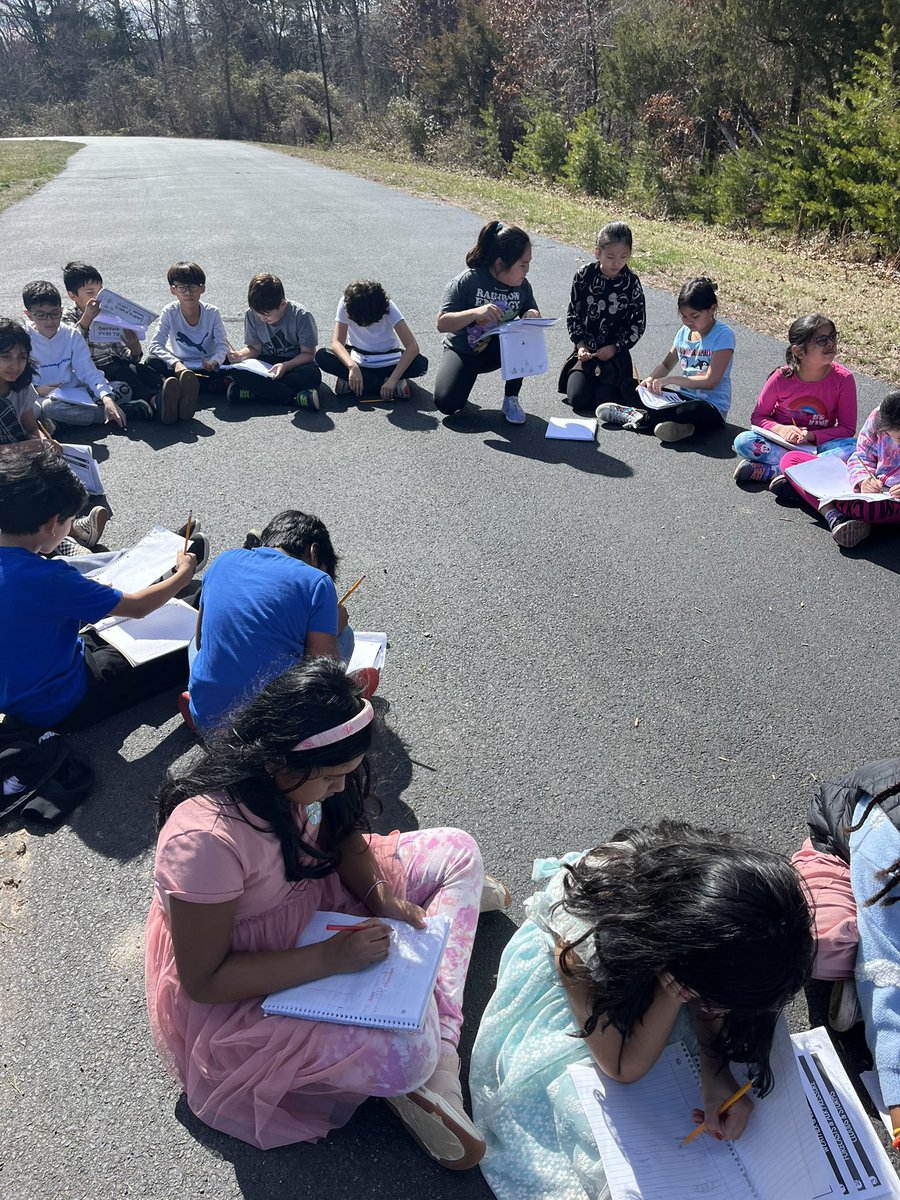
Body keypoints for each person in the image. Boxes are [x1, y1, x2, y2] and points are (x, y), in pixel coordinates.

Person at [146, 657, 507, 1164]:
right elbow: (205, 980)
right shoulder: (205, 843)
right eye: (333, 778)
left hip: (322, 901)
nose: (340, 787)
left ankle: (440, 1057)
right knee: (410, 1051)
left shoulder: (303, 780)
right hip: (256, 981)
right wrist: (329, 958)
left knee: (460, 848)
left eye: (348, 775)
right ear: (278, 762)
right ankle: (431, 1058)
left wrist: (381, 897)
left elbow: (342, 837)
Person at [469, 820, 814, 1200]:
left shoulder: (723, 912)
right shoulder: (585, 935)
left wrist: (713, 1070)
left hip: (660, 968)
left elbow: (712, 994)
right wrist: (668, 996)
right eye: (714, 999)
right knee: (585, 1126)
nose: (719, 1010)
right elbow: (622, 1066)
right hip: (589, 987)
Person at [0, 441, 204, 731]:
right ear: (54, 524)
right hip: (60, 701)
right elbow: (137, 607)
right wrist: (184, 574)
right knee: (178, 649)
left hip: (20, 686)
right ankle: (212, 599)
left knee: (116, 628)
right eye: (71, 521)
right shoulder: (50, 578)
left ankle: (204, 596)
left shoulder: (36, 573)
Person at [791, 760, 900, 1145]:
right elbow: (886, 965)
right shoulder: (887, 838)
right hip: (845, 856)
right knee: (824, 946)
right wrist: (896, 1092)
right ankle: (856, 973)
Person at [187, 511, 354, 731]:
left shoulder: (223, 560)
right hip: (275, 730)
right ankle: (348, 703)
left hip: (207, 716)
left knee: (195, 643)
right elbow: (321, 672)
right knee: (346, 635)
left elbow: (201, 642)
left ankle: (202, 703)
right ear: (314, 553)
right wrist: (334, 627)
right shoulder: (317, 581)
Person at [597, 278, 735, 443]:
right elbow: (666, 364)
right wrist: (650, 380)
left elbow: (711, 381)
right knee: (629, 386)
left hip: (710, 406)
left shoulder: (724, 335)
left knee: (692, 411)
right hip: (682, 399)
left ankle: (638, 417)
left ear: (712, 309)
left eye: (694, 316)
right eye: (684, 316)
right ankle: (681, 428)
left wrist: (670, 380)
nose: (688, 321)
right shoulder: (683, 332)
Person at [434, 220, 540, 425]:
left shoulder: (522, 285)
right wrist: (476, 313)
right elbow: (442, 323)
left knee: (521, 336)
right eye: (522, 264)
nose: (527, 270)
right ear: (500, 264)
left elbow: (532, 309)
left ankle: (511, 399)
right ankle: (462, 381)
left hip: (497, 351)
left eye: (528, 263)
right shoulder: (467, 281)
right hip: (464, 350)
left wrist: (532, 314)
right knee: (446, 404)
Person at [733, 315, 857, 486]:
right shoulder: (780, 378)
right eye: (821, 340)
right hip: (782, 444)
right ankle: (806, 470)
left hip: (820, 447)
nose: (830, 343)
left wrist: (811, 436)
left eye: (832, 336)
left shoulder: (843, 379)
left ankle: (775, 471)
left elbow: (847, 429)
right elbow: (759, 417)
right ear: (799, 352)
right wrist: (782, 430)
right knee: (743, 441)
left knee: (855, 448)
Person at [778, 392, 900, 549]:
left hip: (890, 501)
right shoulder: (878, 415)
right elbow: (862, 456)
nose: (896, 442)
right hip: (869, 491)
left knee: (866, 509)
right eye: (890, 435)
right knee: (791, 460)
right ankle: (834, 514)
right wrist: (863, 480)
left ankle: (818, 502)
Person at [558, 222, 645, 413]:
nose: (617, 263)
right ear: (597, 252)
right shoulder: (584, 275)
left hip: (615, 355)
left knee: (604, 401)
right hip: (587, 352)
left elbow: (638, 324)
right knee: (578, 399)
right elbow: (573, 314)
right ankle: (586, 379)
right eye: (611, 257)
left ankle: (605, 386)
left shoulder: (631, 282)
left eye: (624, 257)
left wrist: (615, 347)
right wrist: (580, 345)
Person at [22, 280, 133, 429]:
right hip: (43, 396)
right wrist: (36, 390)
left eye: (54, 313)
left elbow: (88, 371)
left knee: (123, 389)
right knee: (46, 408)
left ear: (61, 310)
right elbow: (13, 378)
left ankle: (61, 423)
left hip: (76, 392)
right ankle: (108, 415)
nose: (49, 320)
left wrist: (107, 398)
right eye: (41, 315)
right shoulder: (22, 338)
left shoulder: (71, 334)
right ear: (29, 315)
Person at [62, 260, 164, 419]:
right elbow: (71, 344)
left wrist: (134, 350)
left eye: (100, 292)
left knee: (142, 370)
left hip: (117, 362)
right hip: (96, 370)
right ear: (72, 295)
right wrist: (87, 318)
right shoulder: (69, 315)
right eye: (90, 292)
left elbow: (123, 353)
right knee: (124, 373)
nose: (97, 297)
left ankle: (170, 392)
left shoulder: (109, 314)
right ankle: (155, 401)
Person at [315, 279, 428, 402]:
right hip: (357, 358)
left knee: (421, 364)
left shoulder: (389, 307)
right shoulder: (346, 303)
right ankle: (388, 386)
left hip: (388, 359)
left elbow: (412, 347)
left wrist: (392, 380)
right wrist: (352, 367)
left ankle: (356, 383)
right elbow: (337, 343)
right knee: (322, 356)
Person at [146, 261, 228, 423]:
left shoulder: (212, 312)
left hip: (205, 367)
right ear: (173, 290)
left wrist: (214, 361)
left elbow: (222, 345)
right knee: (151, 362)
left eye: (193, 287)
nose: (188, 292)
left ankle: (180, 392)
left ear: (202, 288)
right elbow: (155, 345)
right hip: (178, 368)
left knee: (229, 364)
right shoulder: (169, 311)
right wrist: (176, 363)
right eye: (181, 287)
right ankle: (183, 390)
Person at [224, 273, 321, 410]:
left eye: (266, 314)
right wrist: (241, 355)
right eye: (258, 313)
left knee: (312, 376)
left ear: (282, 304)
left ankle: (254, 392)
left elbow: (308, 354)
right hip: (267, 362)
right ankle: (295, 397)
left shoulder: (301, 315)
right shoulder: (251, 314)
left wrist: (285, 366)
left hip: (294, 363)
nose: (261, 318)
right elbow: (255, 348)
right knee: (237, 371)